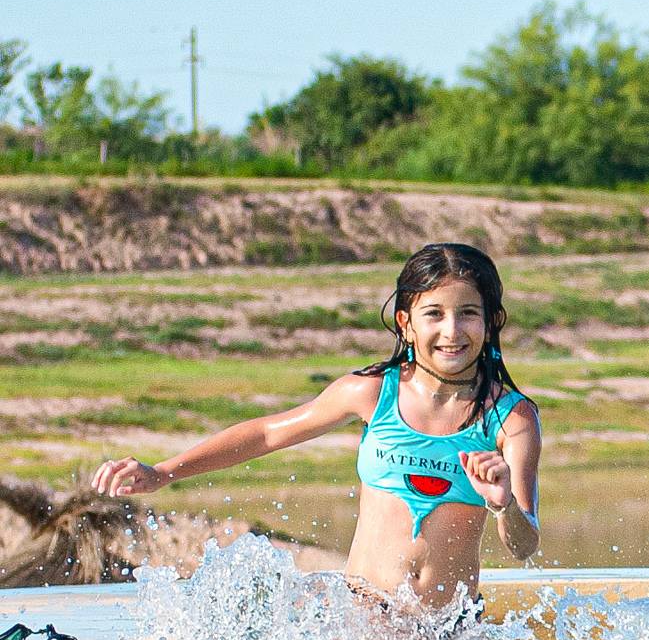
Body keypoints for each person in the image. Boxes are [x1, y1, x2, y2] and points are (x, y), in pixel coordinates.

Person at [92, 242, 541, 617]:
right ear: (406, 324)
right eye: (434, 314)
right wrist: (163, 472)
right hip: (369, 608)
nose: (452, 330)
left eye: (468, 313)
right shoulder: (371, 393)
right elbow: (267, 434)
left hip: (455, 624)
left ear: (491, 323)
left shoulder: (512, 419)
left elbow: (523, 546)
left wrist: (502, 506)